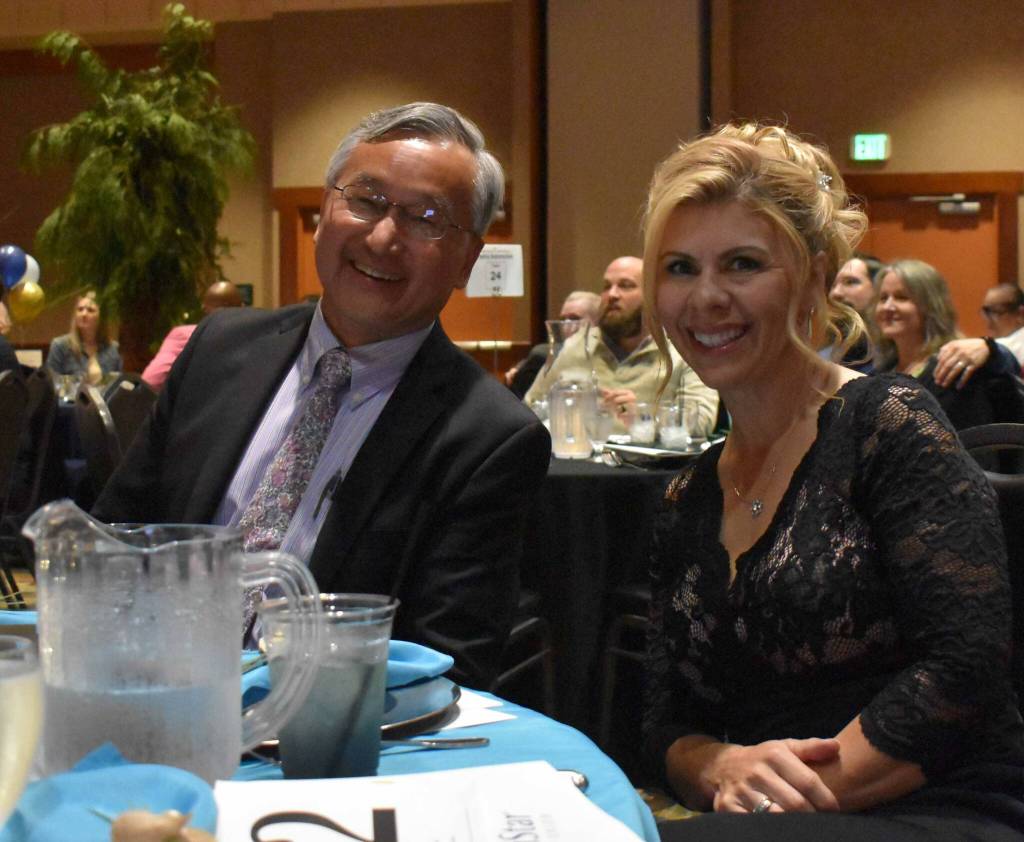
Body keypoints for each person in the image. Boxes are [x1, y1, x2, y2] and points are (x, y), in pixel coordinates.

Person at [641, 123, 1024, 840]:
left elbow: (965, 669)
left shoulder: (888, 422)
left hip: (941, 802)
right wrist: (718, 766)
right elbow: (665, 721)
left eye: (743, 264)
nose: (706, 298)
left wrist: (776, 802)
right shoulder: (685, 494)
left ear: (815, 276)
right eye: (680, 268)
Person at [92, 102, 552, 689]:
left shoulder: (489, 438)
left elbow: (443, 666)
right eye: (365, 199)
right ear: (324, 212)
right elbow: (115, 537)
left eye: (426, 217)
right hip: (141, 690)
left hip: (314, 740)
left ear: (466, 260)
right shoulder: (219, 350)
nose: (384, 235)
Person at [523, 256, 719, 436]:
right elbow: (530, 409)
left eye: (626, 286)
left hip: (650, 471)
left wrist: (644, 417)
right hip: (582, 466)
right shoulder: (576, 346)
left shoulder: (681, 349)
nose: (612, 294)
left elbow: (703, 422)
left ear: (653, 295)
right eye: (607, 286)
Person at [873, 259, 1023, 432]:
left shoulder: (955, 366)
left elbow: (974, 449)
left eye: (901, 297)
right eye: (883, 298)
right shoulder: (881, 371)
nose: (888, 306)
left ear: (930, 305)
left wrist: (990, 348)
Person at [141, 280, 245, 390]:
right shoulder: (254, 340)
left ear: (204, 308)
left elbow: (152, 380)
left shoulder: (184, 336)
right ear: (242, 308)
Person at [504, 290, 601, 399]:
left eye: (574, 319)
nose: (566, 326)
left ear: (598, 323)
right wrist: (520, 369)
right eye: (563, 319)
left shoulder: (606, 356)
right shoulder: (545, 354)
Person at [45, 291, 121, 383]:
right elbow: (50, 384)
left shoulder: (113, 348)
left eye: (90, 310)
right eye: (80, 309)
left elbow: (118, 387)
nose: (84, 314)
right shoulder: (60, 346)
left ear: (102, 317)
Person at [982, 282, 1024, 365]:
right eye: (985, 312)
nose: (988, 319)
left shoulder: (1002, 349)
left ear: (1020, 313)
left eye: (995, 311)